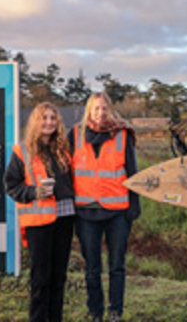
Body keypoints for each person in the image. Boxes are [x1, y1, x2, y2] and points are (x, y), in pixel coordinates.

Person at [68, 92, 141, 322]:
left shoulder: (122, 134)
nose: (100, 113)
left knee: (116, 265)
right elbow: (67, 172)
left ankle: (115, 312)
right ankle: (95, 312)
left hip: (118, 211)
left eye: (104, 108)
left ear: (110, 110)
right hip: (86, 211)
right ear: (89, 111)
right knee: (92, 268)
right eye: (96, 108)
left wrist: (134, 205)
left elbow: (132, 171)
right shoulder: (75, 134)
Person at [5, 102, 75, 322]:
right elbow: (11, 186)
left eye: (53, 118)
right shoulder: (22, 151)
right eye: (44, 118)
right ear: (36, 121)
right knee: (40, 278)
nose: (49, 122)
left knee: (58, 277)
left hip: (64, 217)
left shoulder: (64, 149)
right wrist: (34, 192)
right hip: (38, 222)